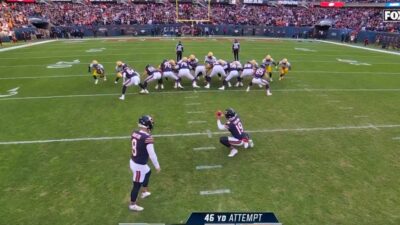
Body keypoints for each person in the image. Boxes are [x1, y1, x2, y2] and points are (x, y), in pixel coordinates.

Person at [129, 115, 161, 211]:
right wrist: (157, 166)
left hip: (134, 161)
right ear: (147, 125)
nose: (152, 125)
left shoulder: (134, 133)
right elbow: (152, 154)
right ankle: (132, 204)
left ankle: (144, 192)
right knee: (136, 185)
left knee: (148, 172)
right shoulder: (147, 138)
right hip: (139, 165)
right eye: (151, 123)